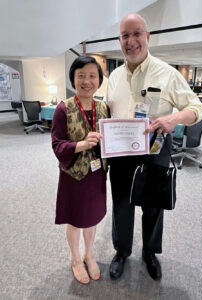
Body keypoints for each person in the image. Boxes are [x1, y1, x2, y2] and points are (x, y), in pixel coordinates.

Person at [107, 13, 202, 281]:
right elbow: (107, 109)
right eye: (125, 35)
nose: (131, 41)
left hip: (154, 149)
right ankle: (122, 251)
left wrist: (173, 118)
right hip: (121, 153)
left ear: (147, 37)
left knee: (153, 206)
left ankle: (150, 252)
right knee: (121, 205)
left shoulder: (168, 73)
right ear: (120, 40)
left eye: (136, 33)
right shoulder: (114, 76)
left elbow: (196, 107)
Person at [51, 56, 109, 284]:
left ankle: (89, 254)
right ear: (73, 79)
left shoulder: (104, 107)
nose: (87, 81)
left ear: (99, 80)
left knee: (92, 217)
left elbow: (111, 139)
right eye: (81, 76)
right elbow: (57, 145)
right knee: (75, 219)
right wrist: (82, 144)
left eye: (92, 76)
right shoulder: (63, 109)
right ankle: (76, 259)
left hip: (97, 174)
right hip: (73, 176)